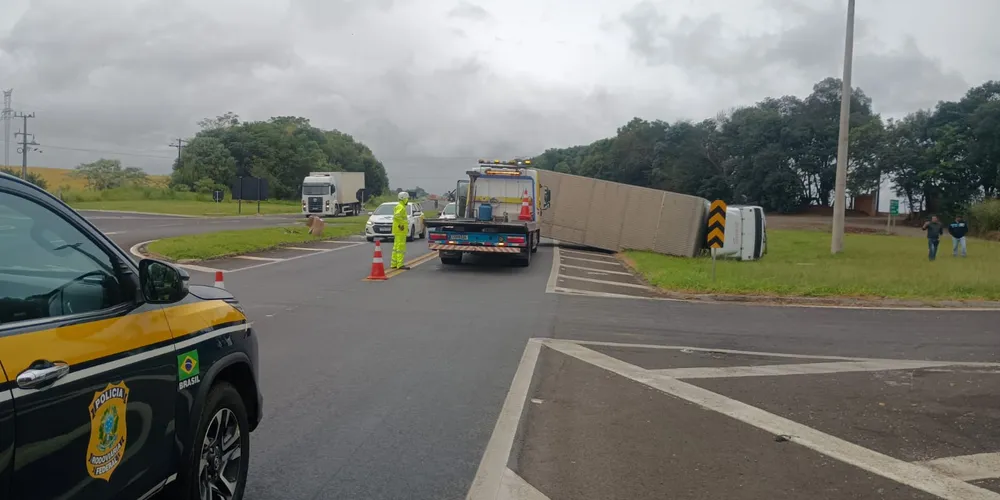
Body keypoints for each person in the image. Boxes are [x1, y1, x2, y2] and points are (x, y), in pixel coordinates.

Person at [391, 191, 410, 270]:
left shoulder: (399, 206)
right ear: (403, 199)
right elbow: (397, 216)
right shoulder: (401, 207)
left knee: (396, 247)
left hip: (398, 229)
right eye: (407, 199)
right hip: (400, 230)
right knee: (400, 247)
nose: (407, 200)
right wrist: (402, 224)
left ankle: (394, 263)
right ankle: (400, 264)